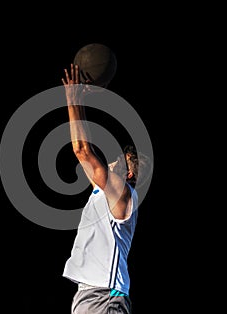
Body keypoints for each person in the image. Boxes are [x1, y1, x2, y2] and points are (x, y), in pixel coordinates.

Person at [61, 64, 142, 314]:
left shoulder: (123, 195)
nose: (114, 159)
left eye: (121, 160)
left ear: (128, 175)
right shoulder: (102, 194)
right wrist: (79, 104)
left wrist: (72, 99)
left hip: (104, 295)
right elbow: (83, 154)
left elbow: (82, 150)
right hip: (92, 294)